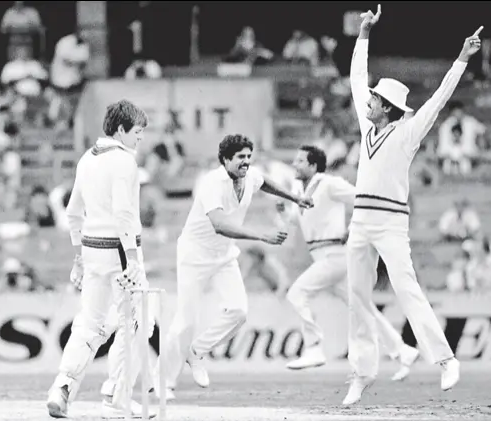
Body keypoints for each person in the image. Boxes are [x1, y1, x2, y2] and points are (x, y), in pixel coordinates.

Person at [343, 4, 482, 405]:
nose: (366, 101)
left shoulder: (408, 132)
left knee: (407, 288)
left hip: (390, 223)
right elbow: (356, 78)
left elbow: (439, 99)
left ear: (388, 107)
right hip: (360, 222)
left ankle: (445, 359)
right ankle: (362, 372)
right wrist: (364, 34)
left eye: (374, 99)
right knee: (356, 296)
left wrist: (461, 59)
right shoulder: (367, 126)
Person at [154, 134, 313, 400]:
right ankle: (163, 384)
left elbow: (266, 183)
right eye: (240, 157)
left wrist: (295, 198)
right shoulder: (211, 183)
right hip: (195, 256)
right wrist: (261, 236)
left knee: (239, 311)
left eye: (249, 156)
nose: (246, 162)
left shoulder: (250, 176)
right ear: (226, 159)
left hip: (223, 256)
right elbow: (219, 224)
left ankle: (196, 352)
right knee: (185, 322)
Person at [46, 99, 156, 418]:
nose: (141, 138)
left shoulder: (87, 159)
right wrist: (133, 259)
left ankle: (63, 387)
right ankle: (116, 396)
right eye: (137, 131)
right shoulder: (124, 161)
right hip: (121, 251)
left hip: (93, 250)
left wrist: (78, 257)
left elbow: (72, 212)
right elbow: (124, 214)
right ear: (120, 130)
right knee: (138, 320)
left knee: (90, 322)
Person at [280, 146, 419, 380]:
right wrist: (285, 213)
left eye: (300, 161)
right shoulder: (300, 188)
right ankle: (403, 351)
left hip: (334, 255)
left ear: (314, 166)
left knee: (296, 294)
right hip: (323, 255)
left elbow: (362, 201)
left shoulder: (329, 184)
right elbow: (302, 218)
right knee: (363, 308)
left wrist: (353, 228)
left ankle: (313, 348)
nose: (295, 164)